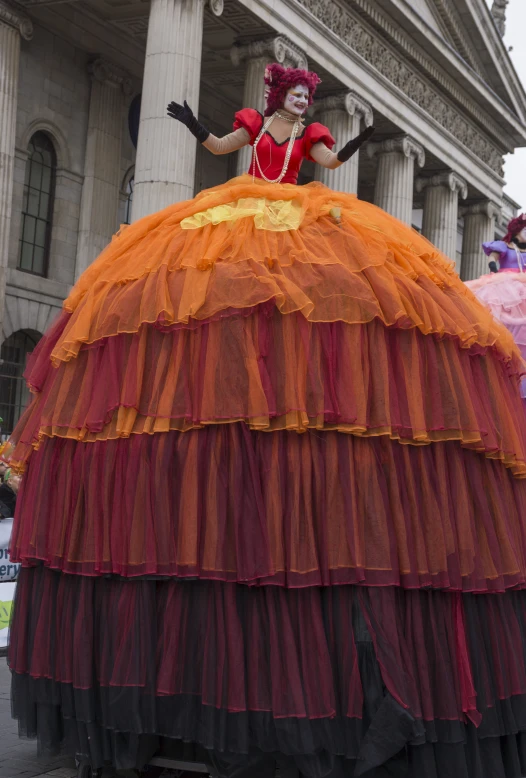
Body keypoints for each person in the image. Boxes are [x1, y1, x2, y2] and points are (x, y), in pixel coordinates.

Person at [6, 63, 526, 778]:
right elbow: (222, 147)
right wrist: (192, 129)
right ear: (277, 97)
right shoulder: (255, 127)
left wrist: (360, 138)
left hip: (307, 222)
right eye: (299, 97)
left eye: (310, 99)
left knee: (311, 329)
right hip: (233, 216)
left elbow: (330, 164)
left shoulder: (310, 137)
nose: (306, 105)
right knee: (205, 321)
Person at [465, 213, 526, 403]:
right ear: (517, 231)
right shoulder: (504, 246)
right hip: (504, 283)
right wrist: (493, 270)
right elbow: (492, 258)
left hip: (521, 286)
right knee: (498, 315)